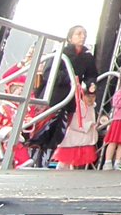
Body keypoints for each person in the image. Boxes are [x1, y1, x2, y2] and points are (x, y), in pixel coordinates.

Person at [32, 25, 99, 167]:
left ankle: (47, 159)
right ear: (70, 37)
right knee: (46, 128)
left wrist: (90, 84)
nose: (82, 36)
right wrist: (70, 78)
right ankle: (37, 159)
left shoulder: (87, 57)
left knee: (61, 130)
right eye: (79, 34)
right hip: (55, 96)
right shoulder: (61, 52)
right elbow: (49, 72)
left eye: (84, 34)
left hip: (71, 99)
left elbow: (91, 74)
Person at [100, 81, 121, 170]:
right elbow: (115, 103)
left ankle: (118, 162)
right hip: (119, 119)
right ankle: (107, 161)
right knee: (113, 141)